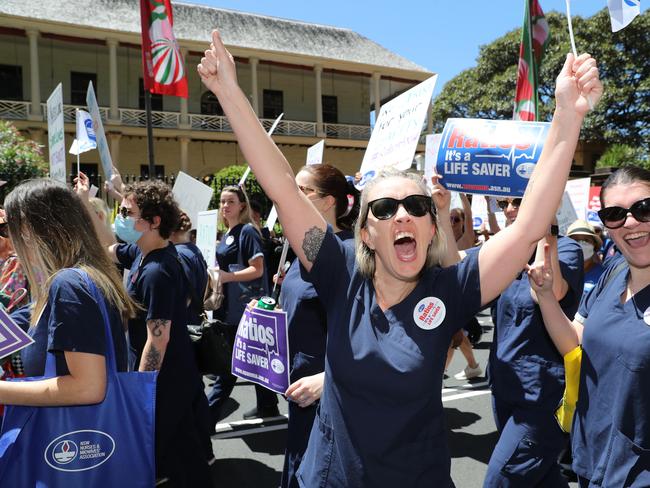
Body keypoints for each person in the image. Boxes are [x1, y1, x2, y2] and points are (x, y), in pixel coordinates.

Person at [198, 33, 601, 486]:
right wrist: (229, 92)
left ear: (432, 227)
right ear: (366, 233)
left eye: (417, 206)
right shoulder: (339, 272)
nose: (402, 215)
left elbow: (528, 226)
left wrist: (568, 116)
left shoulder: (452, 287)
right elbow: (284, 188)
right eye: (385, 209)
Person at [528, 165, 650, 488]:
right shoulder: (612, 272)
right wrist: (545, 297)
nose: (632, 222)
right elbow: (574, 343)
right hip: (591, 460)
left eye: (644, 208)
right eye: (615, 214)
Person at [87, 177, 213, 486]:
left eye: (129, 213)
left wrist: (141, 390)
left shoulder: (158, 271)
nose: (123, 218)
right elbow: (108, 247)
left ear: (153, 222)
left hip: (166, 380)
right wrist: (84, 202)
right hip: (171, 378)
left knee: (162, 454)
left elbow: (158, 339)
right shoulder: (142, 254)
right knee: (184, 453)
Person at [0, 179, 136, 408]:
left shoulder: (69, 284)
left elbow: (87, 388)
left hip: (72, 438)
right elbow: (17, 325)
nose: (8, 239)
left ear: (30, 229)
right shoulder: (69, 282)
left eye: (7, 228)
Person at [279, 163, 358, 488]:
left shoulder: (350, 254)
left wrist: (329, 379)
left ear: (329, 201)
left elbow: (372, 332)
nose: (291, 198)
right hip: (299, 395)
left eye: (303, 191)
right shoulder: (304, 250)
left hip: (332, 400)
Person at [208, 184, 278, 422]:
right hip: (229, 307)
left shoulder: (247, 231)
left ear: (242, 206)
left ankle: (207, 416)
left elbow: (257, 270)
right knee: (251, 358)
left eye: (230, 202)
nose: (225, 206)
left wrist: (227, 276)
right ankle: (268, 405)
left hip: (243, 307)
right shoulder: (228, 233)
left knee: (229, 365)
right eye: (222, 202)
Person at [446, 194, 483, 381]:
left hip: (462, 294)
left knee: (452, 335)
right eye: (450, 218)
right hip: (447, 292)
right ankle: (473, 366)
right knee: (457, 334)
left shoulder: (467, 237)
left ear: (463, 222)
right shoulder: (443, 238)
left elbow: (468, 212)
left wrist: (461, 193)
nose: (452, 222)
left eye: (456, 219)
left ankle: (437, 375)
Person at [566, 219, 605, 296]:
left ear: (594, 245)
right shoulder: (560, 273)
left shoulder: (604, 276)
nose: (581, 244)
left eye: (586, 240)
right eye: (576, 240)